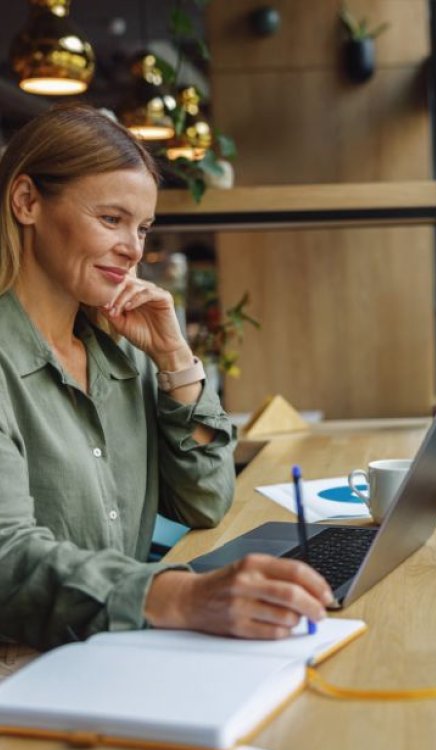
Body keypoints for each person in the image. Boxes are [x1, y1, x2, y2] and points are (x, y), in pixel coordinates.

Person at [0, 104, 332, 650]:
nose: (134, 249)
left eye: (143, 226)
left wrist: (176, 359)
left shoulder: (124, 355)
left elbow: (204, 500)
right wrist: (179, 597)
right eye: (111, 219)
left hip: (120, 651)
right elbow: (10, 560)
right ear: (27, 201)